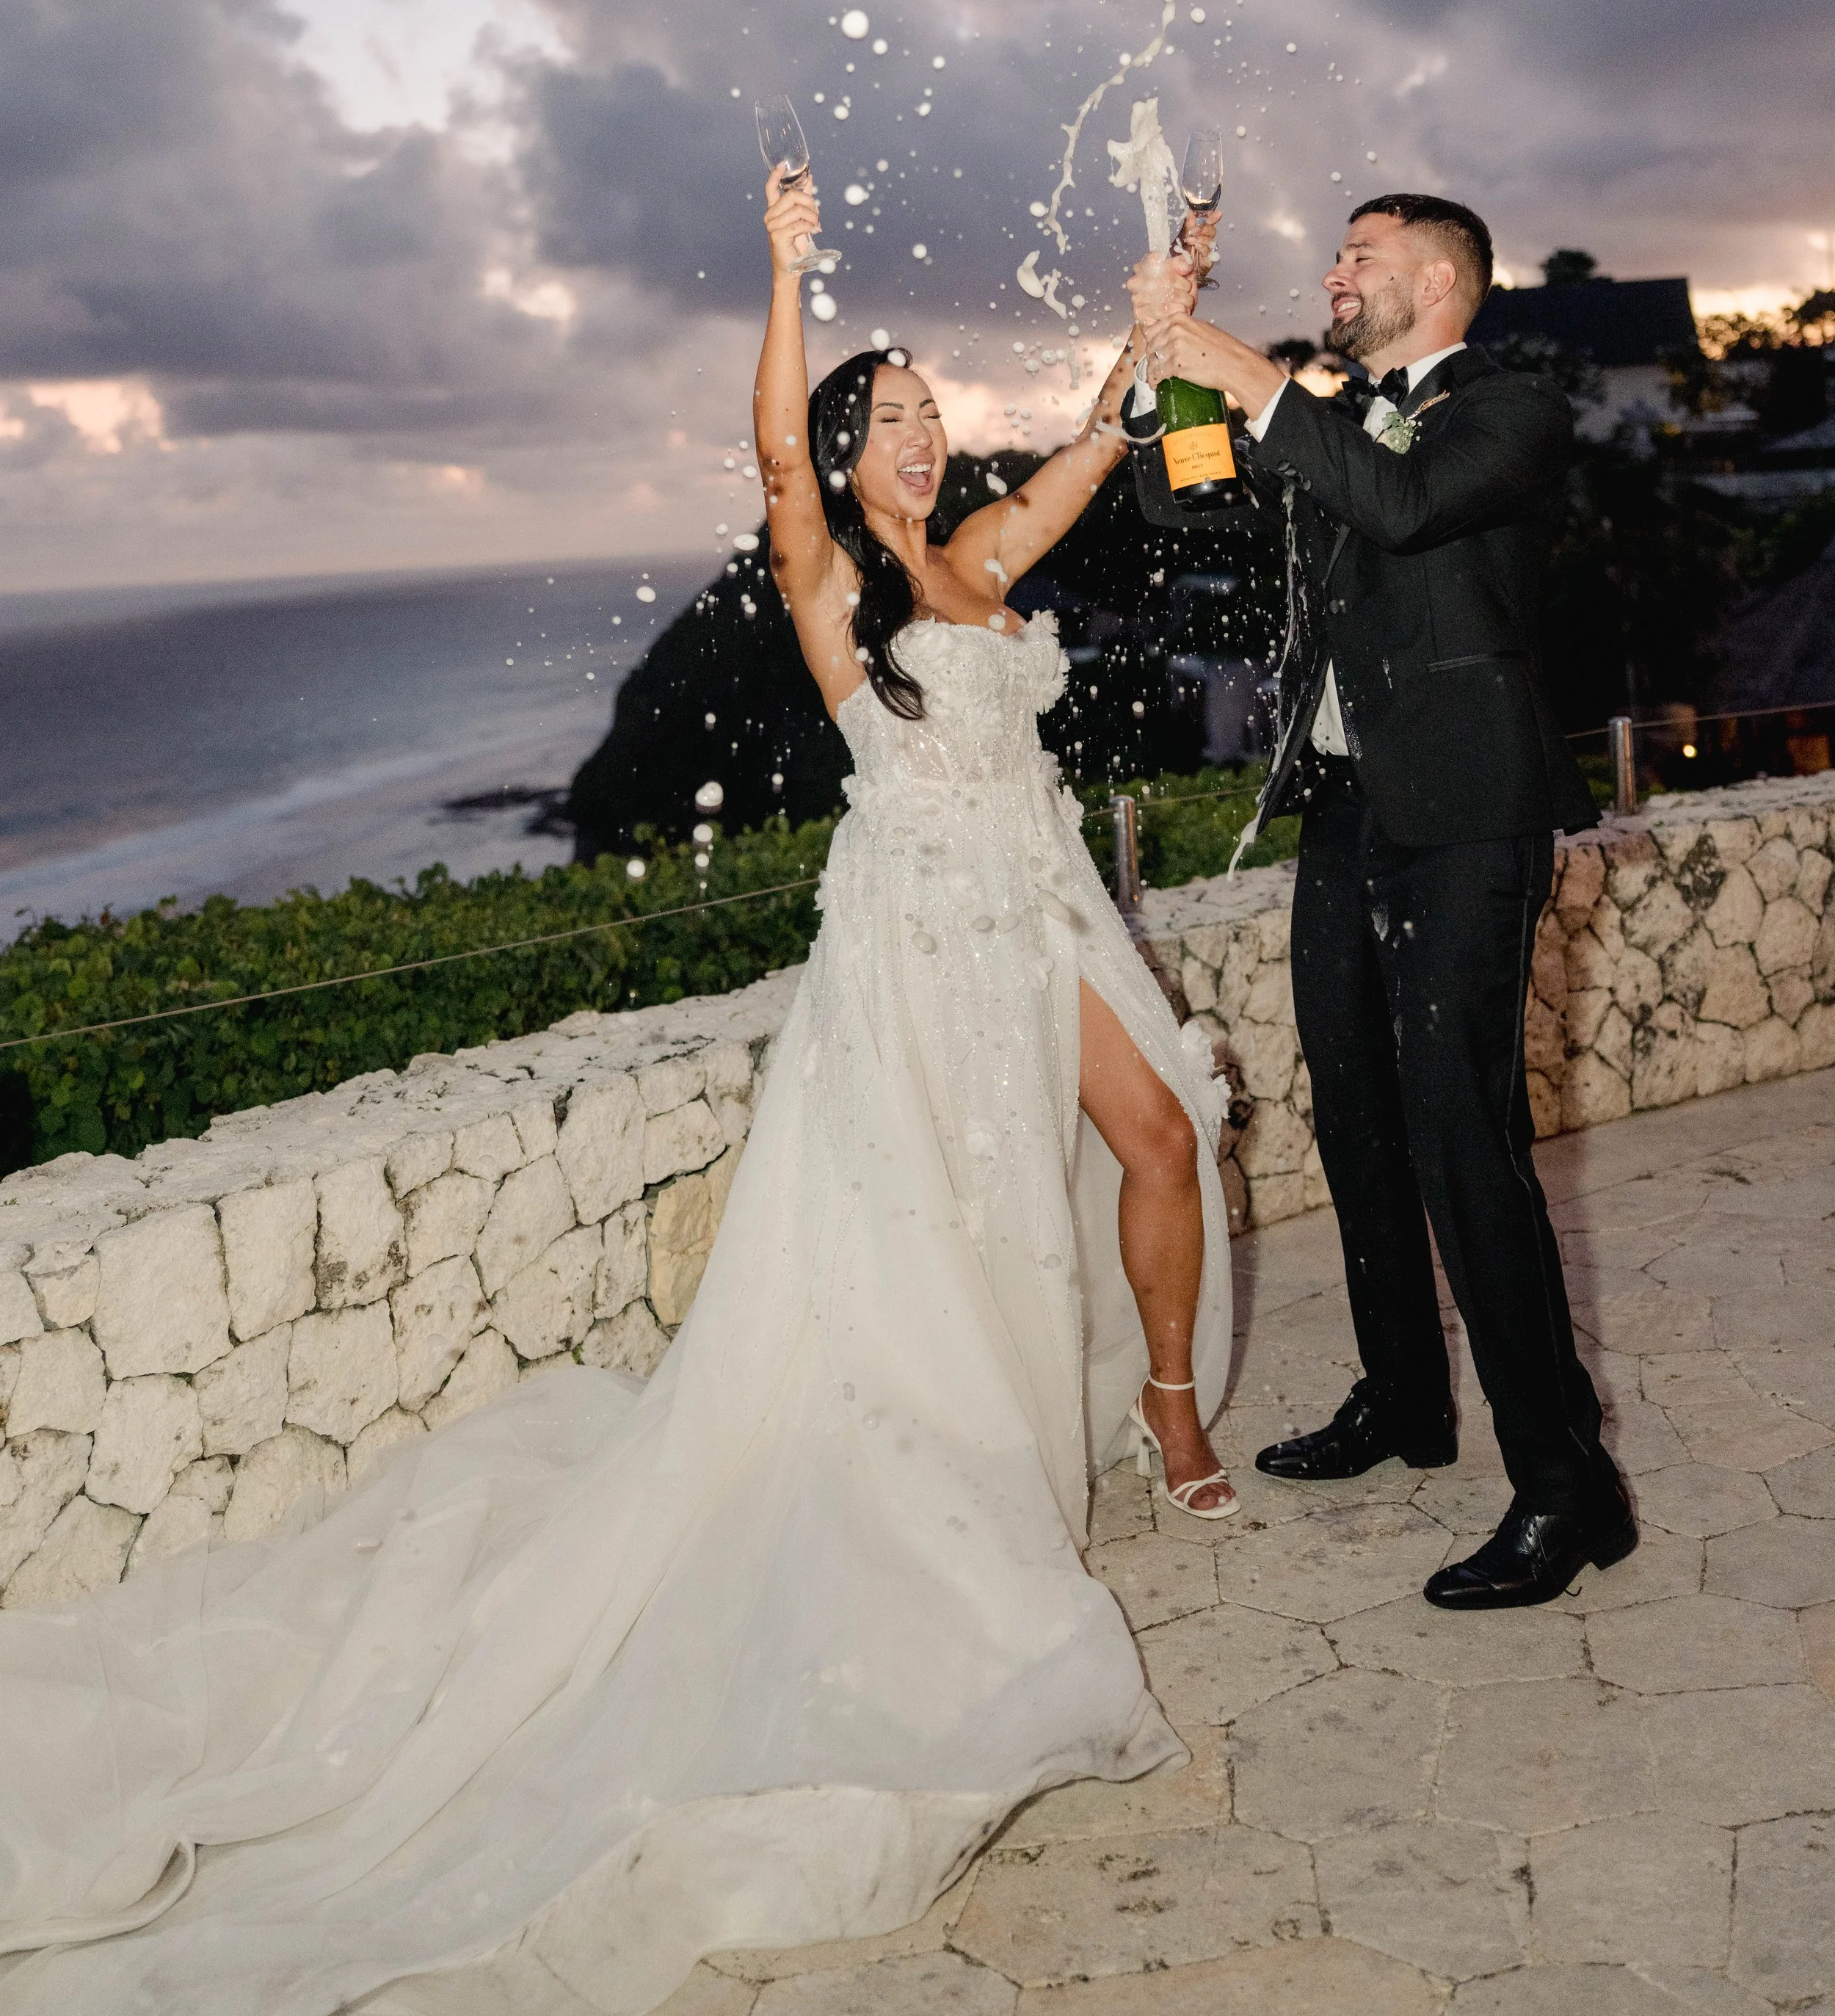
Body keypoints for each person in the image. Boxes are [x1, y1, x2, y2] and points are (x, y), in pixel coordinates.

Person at [0, 167, 1235, 2016]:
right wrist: (781, 268)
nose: (915, 438)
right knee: (946, 1219)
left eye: (922, 418)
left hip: (1039, 901)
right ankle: (988, 1455)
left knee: (1156, 1128)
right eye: (884, 422)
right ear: (843, 451)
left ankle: (1163, 1408)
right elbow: (769, 460)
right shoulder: (824, 581)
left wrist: (1159, 334)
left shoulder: (976, 560)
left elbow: (1087, 454)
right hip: (915, 938)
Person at [1127, 190, 1638, 1611]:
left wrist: (1242, 364)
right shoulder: (1333, 416)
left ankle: (1565, 1489)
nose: (1334, 272)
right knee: (1354, 1120)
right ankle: (1404, 1403)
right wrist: (1161, 346)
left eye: (1360, 255)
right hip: (1349, 814)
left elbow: (1404, 504)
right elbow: (1185, 496)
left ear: (1443, 281)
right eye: (1335, 255)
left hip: (1473, 816)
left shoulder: (1512, 409)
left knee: (1465, 1140)